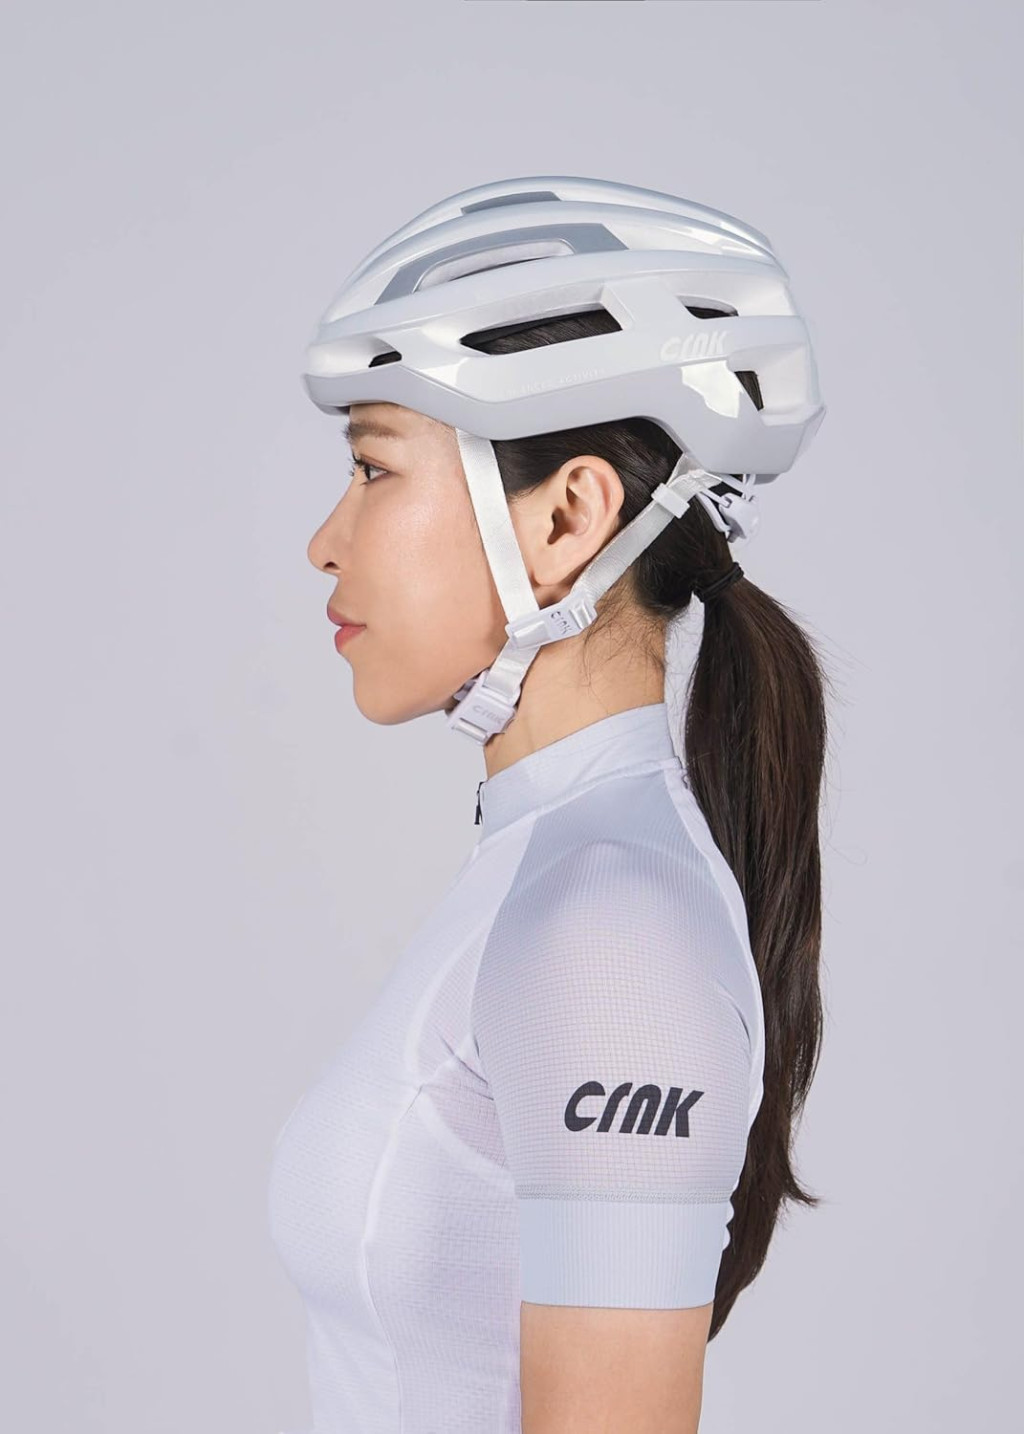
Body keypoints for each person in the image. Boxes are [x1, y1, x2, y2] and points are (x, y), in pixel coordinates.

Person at [268, 175, 832, 1434]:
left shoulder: (611, 927)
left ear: (569, 517)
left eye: (372, 467)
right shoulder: (555, 869)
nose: (325, 539)